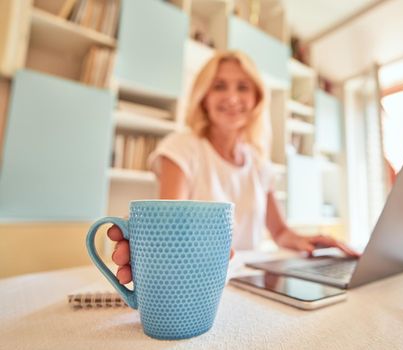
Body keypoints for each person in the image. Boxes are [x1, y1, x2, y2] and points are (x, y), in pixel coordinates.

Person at [108, 50, 358, 284]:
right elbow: (170, 223)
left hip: (250, 280)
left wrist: (310, 241)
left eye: (243, 87)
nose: (232, 97)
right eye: (219, 86)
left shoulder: (259, 162)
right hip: (198, 278)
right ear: (203, 97)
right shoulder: (181, 148)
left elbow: (280, 232)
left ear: (256, 99)